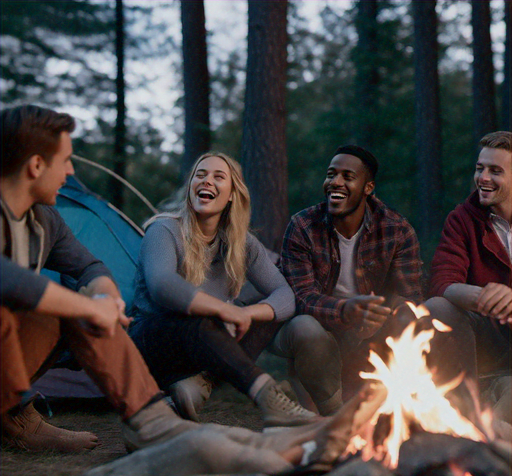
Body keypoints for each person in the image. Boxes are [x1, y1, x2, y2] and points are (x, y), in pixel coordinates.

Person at [1, 105, 219, 454]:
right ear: (36, 165)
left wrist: (103, 297)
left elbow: (90, 267)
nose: (70, 171)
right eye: (66, 160)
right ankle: (17, 417)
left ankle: (153, 422)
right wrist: (85, 303)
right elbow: (7, 279)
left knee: (76, 307)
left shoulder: (45, 220)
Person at [129, 152, 318, 429]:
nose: (207, 181)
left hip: (203, 347)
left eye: (219, 177)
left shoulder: (242, 244)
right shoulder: (164, 230)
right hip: (153, 343)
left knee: (262, 313)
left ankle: (196, 384)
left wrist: (248, 313)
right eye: (200, 174)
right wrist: (225, 310)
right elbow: (162, 286)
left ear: (231, 194)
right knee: (204, 321)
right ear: (191, 186)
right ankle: (270, 399)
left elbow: (286, 294)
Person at [270, 145, 423, 416]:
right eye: (331, 175)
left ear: (368, 187)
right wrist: (346, 311)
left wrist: (387, 313)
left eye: (347, 176)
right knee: (306, 328)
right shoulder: (303, 226)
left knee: (409, 317)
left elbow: (409, 296)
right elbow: (301, 297)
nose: (335, 182)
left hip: (370, 331)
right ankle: (332, 415)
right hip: (318, 328)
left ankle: (402, 406)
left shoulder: (396, 229)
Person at [427, 131, 512, 424]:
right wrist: (486, 297)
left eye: (495, 171)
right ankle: (462, 412)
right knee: (437, 308)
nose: (483, 178)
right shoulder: (462, 218)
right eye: (480, 168)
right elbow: (442, 282)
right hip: (487, 337)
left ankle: (489, 428)